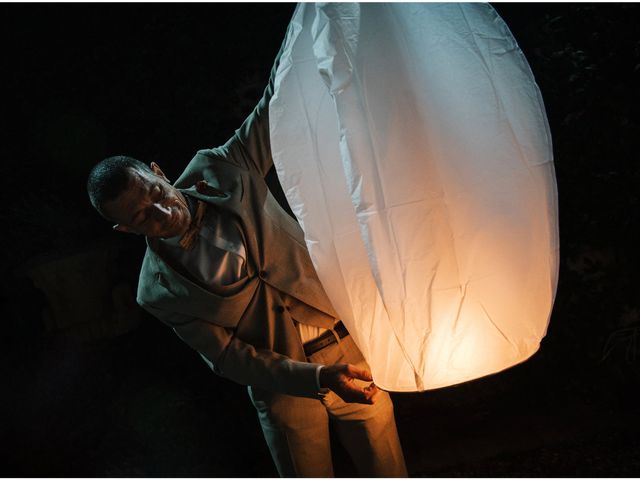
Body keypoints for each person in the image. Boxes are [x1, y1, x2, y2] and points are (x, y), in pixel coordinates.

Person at [86, 31, 407, 478]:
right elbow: (230, 357)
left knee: (387, 471)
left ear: (158, 172)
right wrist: (312, 380)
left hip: (348, 346)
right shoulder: (155, 293)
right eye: (142, 217)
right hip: (283, 392)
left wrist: (307, 21)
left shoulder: (222, 166)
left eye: (157, 193)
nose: (162, 212)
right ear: (125, 230)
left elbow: (275, 103)